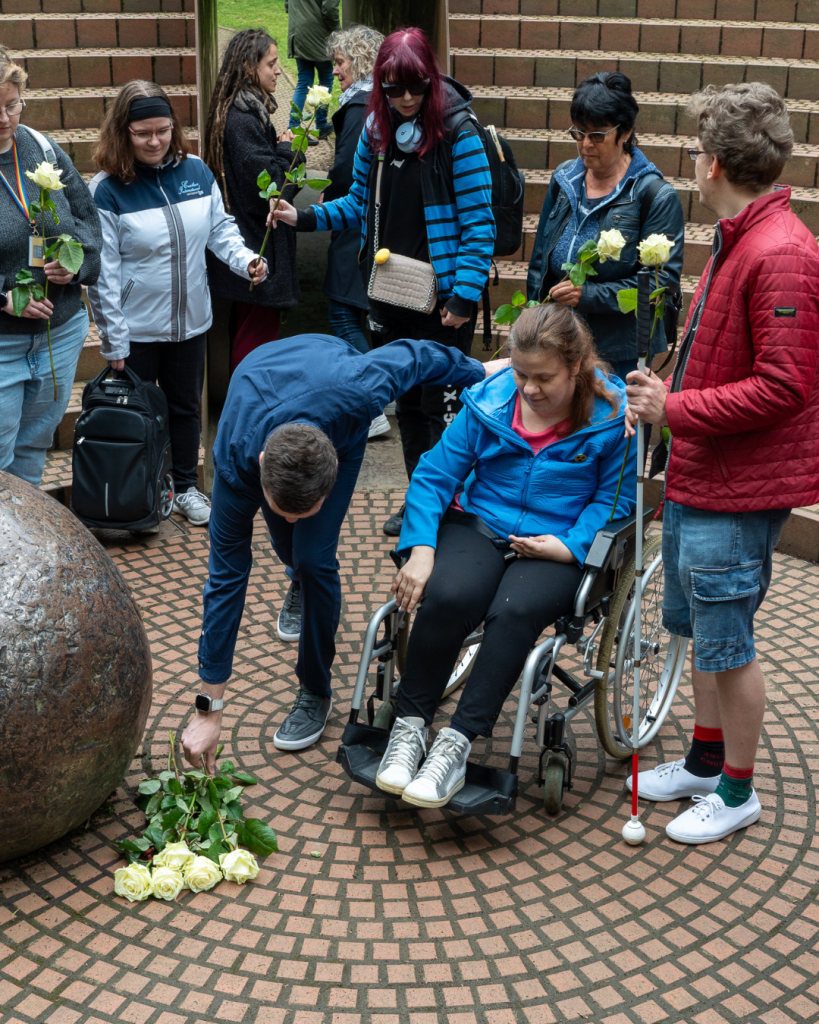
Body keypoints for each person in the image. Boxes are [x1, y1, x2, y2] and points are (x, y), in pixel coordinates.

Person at [625, 82, 819, 845]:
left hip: (736, 489)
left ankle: (737, 791)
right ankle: (706, 764)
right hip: (705, 474)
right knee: (704, 634)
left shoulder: (779, 254)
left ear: (709, 165)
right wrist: (672, 388)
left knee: (728, 644)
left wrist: (671, 410)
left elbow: (782, 387)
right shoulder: (747, 235)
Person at [179, 335, 508, 769]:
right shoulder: (236, 458)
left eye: (307, 509)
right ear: (261, 465)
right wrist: (209, 709)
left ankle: (315, 690)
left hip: (330, 385)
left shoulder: (361, 388)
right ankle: (296, 575)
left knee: (313, 557)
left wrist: (476, 370)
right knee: (291, 548)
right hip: (260, 387)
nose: (294, 519)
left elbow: (416, 354)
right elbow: (225, 581)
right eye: (284, 510)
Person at [375, 303, 636, 809]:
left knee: (514, 611)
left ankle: (457, 743)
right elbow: (433, 476)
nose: (530, 389)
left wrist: (570, 546)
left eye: (544, 378)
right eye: (521, 374)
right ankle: (410, 728)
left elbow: (615, 501)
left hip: (556, 542)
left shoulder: (612, 420)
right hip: (481, 523)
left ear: (576, 366)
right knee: (449, 594)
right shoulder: (488, 402)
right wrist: (422, 549)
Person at [272, 27, 496, 538]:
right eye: (394, 90)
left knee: (441, 408)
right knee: (410, 408)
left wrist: (462, 298)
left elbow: (478, 223)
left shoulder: (459, 135)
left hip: (442, 302)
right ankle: (421, 499)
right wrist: (301, 218)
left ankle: (448, 502)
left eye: (415, 86)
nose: (407, 99)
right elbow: (358, 203)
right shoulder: (377, 129)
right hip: (393, 291)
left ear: (430, 80)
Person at [87, 80, 267, 529]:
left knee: (186, 408)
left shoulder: (197, 173)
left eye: (163, 130)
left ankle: (186, 487)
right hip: (136, 330)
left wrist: (246, 260)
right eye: (142, 132)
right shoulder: (107, 189)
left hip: (192, 323)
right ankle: (141, 493)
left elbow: (221, 231)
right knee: (137, 417)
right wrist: (114, 337)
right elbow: (103, 272)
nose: (155, 141)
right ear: (122, 131)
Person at [526, 72, 684, 382]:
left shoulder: (653, 196)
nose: (585, 145)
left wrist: (588, 295)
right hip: (560, 341)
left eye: (597, 135)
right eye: (578, 133)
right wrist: (533, 315)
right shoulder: (563, 179)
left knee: (614, 428)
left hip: (621, 353)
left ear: (625, 132)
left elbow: (660, 284)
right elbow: (540, 257)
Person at [0, 52, 101, 487]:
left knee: (31, 450)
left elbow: (87, 220)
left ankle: (28, 551)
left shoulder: (41, 148)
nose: (4, 119)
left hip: (57, 335)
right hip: (2, 347)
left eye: (11, 104)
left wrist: (74, 265)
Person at [204, 30, 303, 376]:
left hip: (249, 245)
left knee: (249, 332)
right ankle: (251, 418)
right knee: (257, 345)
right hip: (255, 251)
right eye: (271, 64)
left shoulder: (244, 111)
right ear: (249, 67)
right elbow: (274, 191)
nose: (278, 71)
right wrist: (291, 150)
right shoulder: (243, 119)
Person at [322, 24, 389, 440]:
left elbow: (347, 172)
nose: (334, 71)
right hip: (377, 224)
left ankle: (372, 405)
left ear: (360, 61)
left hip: (354, 227)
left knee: (343, 313)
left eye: (340, 62)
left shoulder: (356, 107)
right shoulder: (379, 103)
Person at [285, 0, 339, 143]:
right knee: (326, 78)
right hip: (318, 34)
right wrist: (337, 31)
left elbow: (287, 3)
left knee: (303, 81)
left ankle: (293, 128)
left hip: (298, 32)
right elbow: (329, 8)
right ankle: (321, 126)